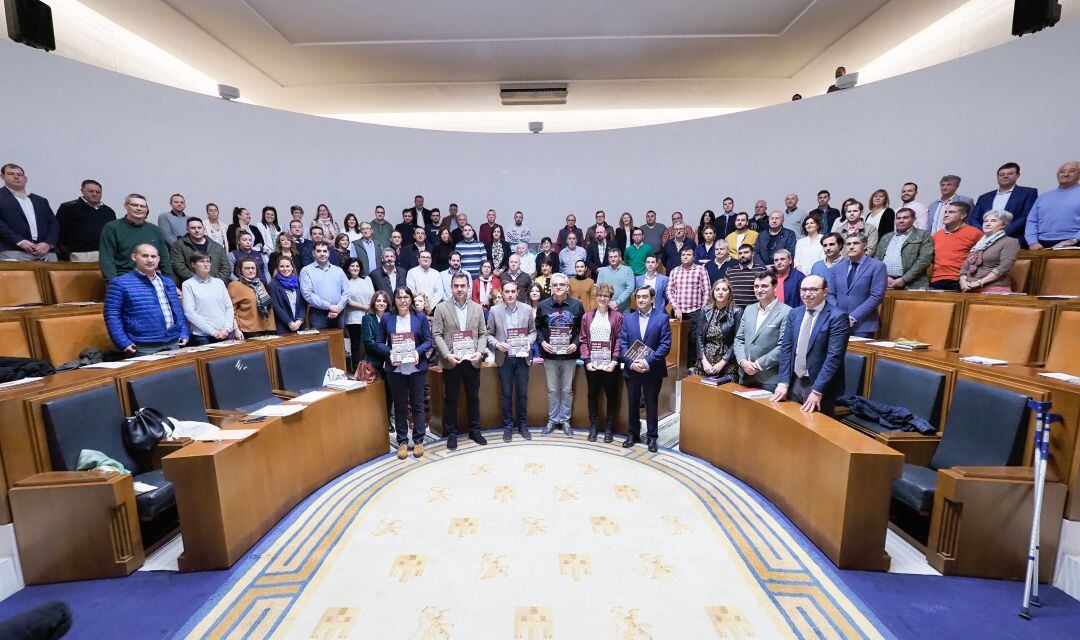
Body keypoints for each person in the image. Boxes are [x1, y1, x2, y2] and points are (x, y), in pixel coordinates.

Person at [772, 275, 849, 415]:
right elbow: (786, 349)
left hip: (819, 386)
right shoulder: (794, 314)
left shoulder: (837, 317)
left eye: (813, 289)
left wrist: (817, 390)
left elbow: (834, 357)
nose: (807, 294)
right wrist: (783, 382)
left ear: (825, 291)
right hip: (795, 380)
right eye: (804, 290)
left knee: (813, 430)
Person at [373, 286, 433, 459]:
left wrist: (417, 352)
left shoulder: (420, 317)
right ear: (395, 300)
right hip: (395, 368)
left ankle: (419, 440)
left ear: (411, 299)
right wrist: (389, 352)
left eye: (406, 297)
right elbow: (378, 342)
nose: (403, 300)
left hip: (416, 367)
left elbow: (428, 341)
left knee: (418, 404)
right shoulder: (386, 318)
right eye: (399, 297)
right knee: (399, 406)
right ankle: (402, 441)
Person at [432, 272, 489, 450]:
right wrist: (447, 355)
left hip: (472, 360)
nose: (459, 289)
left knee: (473, 397)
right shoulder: (441, 308)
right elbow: (436, 334)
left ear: (468, 287)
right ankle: (452, 433)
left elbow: (483, 334)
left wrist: (480, 352)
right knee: (451, 398)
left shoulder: (477, 308)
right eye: (456, 286)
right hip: (452, 360)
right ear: (451, 287)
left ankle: (475, 430)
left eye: (462, 286)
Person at [104, 243, 188, 356]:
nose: (150, 260)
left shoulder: (168, 282)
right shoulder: (119, 283)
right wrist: (122, 342)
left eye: (153, 256)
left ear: (158, 259)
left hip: (173, 342)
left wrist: (184, 332)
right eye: (145, 256)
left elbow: (177, 310)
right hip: (143, 346)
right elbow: (112, 315)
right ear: (134, 257)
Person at [619, 286, 672, 452]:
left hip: (652, 369)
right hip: (632, 369)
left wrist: (647, 362)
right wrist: (631, 363)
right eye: (638, 297)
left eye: (644, 297)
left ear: (652, 298)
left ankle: (652, 437)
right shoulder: (628, 318)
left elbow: (665, 345)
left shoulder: (662, 318)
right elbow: (623, 344)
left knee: (651, 404)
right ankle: (632, 434)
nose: (641, 300)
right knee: (633, 403)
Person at [487, 280, 535, 441]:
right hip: (504, 358)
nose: (510, 294)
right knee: (506, 394)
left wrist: (528, 341)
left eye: (512, 291)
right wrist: (497, 344)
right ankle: (508, 427)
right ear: (503, 293)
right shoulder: (494, 310)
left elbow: (533, 332)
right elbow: (488, 334)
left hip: (522, 357)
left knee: (522, 394)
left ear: (517, 292)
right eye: (506, 292)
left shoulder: (527, 309)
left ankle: (523, 425)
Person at [537, 273, 585, 436]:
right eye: (555, 285)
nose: (558, 287)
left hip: (569, 356)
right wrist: (543, 343)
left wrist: (576, 344)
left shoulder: (577, 306)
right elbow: (536, 328)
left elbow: (582, 330)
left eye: (561, 285)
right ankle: (552, 420)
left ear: (567, 287)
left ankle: (564, 421)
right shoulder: (543, 306)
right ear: (551, 287)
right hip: (550, 355)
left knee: (566, 389)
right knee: (551, 389)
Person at [578, 282, 623, 442]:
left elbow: (619, 340)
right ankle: (593, 427)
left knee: (611, 395)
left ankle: (609, 428)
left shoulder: (617, 316)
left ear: (610, 297)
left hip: (610, 364)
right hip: (592, 364)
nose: (602, 298)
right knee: (593, 394)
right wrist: (587, 360)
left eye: (606, 296)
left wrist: (614, 360)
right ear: (596, 297)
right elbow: (583, 340)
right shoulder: (587, 316)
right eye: (600, 295)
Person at [733, 271, 791, 390]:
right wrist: (743, 361)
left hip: (768, 378)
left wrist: (758, 365)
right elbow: (739, 339)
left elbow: (783, 347)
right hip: (744, 375)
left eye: (764, 286)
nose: (759, 290)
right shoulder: (749, 309)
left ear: (775, 287)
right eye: (756, 286)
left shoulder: (787, 312)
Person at [99, 194, 174, 281]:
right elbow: (107, 259)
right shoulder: (112, 227)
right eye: (134, 205)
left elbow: (164, 258)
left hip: (151, 279)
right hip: (124, 278)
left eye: (142, 206)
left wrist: (170, 282)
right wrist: (113, 283)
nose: (139, 208)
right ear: (125, 206)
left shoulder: (155, 230)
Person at [826, 235, 887, 338]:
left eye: (856, 243)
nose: (851, 247)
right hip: (838, 323)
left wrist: (853, 317)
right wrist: (840, 315)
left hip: (863, 325)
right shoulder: (837, 267)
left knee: (857, 354)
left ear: (865, 246)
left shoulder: (877, 266)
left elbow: (876, 296)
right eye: (848, 244)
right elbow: (830, 294)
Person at [0, 163, 58, 261]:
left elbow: (53, 223)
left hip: (45, 252)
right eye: (11, 174)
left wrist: (48, 243)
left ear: (25, 179)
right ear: (2, 177)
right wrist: (19, 241)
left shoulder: (40, 200)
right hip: (13, 251)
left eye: (19, 175)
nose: (16, 177)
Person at [181, 253, 241, 346]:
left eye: (208, 261)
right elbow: (190, 313)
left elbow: (229, 307)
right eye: (202, 261)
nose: (206, 264)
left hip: (225, 333)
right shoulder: (188, 284)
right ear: (193, 264)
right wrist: (213, 332)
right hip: (203, 337)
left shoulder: (219, 282)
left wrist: (227, 329)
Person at [967, 163, 1036, 243]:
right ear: (997, 177)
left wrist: (1001, 234)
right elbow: (973, 218)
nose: (1005, 176)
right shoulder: (984, 197)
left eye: (1010, 173)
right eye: (1002, 174)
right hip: (984, 240)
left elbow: (1025, 217)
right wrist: (985, 233)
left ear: (1018, 175)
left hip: (1012, 239)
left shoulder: (1028, 193)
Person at [667, 245, 711, 366]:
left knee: (694, 340)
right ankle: (677, 366)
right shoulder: (675, 271)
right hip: (678, 311)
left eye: (688, 254)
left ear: (693, 257)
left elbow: (707, 290)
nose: (685, 257)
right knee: (676, 340)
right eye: (683, 255)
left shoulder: (701, 270)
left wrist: (702, 309)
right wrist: (676, 307)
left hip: (695, 311)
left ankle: (691, 367)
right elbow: (669, 290)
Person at [959, 210, 1021, 293]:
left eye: (993, 221)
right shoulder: (979, 244)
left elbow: (1004, 267)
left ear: (1003, 225)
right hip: (969, 288)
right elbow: (965, 267)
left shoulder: (1010, 241)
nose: (987, 223)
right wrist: (963, 282)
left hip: (994, 288)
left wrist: (980, 282)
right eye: (985, 221)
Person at [56, 179, 116, 261]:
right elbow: (59, 232)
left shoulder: (109, 211)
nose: (94, 194)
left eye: (98, 192)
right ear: (82, 191)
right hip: (80, 254)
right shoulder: (68, 208)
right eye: (91, 191)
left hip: (105, 254)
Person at [874, 208, 934, 290]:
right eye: (898, 218)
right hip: (887, 284)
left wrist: (904, 279)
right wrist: (885, 277)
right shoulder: (886, 237)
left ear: (913, 219)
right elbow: (877, 260)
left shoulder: (923, 235)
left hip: (914, 285)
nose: (901, 221)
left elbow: (924, 260)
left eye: (905, 218)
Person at [1025, 161, 1080, 250]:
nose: (1066, 174)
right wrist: (1032, 242)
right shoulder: (1044, 197)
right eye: (1062, 171)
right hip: (1041, 245)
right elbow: (1032, 221)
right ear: (1057, 175)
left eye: (1072, 171)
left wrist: (1074, 240)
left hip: (1073, 243)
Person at [696, 278, 743, 378]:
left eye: (724, 290)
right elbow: (699, 337)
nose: (720, 292)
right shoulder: (705, 310)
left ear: (729, 293)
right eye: (717, 289)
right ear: (713, 292)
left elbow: (737, 341)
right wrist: (704, 361)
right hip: (705, 361)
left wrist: (722, 363)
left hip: (727, 363)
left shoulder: (737, 311)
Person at [931, 202, 983, 290]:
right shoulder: (936, 235)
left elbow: (983, 258)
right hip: (936, 279)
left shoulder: (975, 233)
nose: (946, 215)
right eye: (945, 212)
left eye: (951, 212)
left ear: (962, 216)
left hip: (961, 280)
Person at [300, 241, 350, 328]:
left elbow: (347, 291)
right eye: (318, 251)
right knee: (321, 341)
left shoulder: (338, 270)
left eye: (325, 251)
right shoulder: (306, 271)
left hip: (339, 313)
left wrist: (338, 308)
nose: (322, 254)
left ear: (329, 253)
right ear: (313, 253)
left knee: (338, 341)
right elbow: (307, 294)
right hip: (318, 315)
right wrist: (329, 306)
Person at [171, 216, 230, 282]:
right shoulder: (179, 245)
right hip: (192, 286)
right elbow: (178, 267)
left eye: (199, 227)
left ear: (204, 229)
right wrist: (198, 281)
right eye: (193, 228)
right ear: (187, 230)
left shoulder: (216, 246)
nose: (197, 230)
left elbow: (226, 267)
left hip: (216, 286)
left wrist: (215, 282)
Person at [228, 257, 276, 338]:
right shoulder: (234, 285)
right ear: (240, 270)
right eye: (247, 268)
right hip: (248, 331)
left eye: (253, 268)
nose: (251, 271)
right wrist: (236, 330)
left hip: (267, 328)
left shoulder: (259, 283)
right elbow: (231, 311)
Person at [362, 290, 392, 417]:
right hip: (375, 361)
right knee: (376, 393)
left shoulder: (392, 318)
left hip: (391, 361)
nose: (381, 303)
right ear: (374, 302)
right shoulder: (367, 318)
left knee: (390, 391)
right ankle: (377, 419)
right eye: (378, 300)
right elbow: (369, 342)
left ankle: (387, 417)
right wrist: (387, 352)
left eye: (384, 301)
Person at [343, 258, 375, 365]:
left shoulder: (367, 279)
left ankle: (371, 366)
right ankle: (357, 367)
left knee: (369, 343)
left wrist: (370, 308)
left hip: (369, 315)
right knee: (356, 344)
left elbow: (373, 295)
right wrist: (365, 307)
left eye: (357, 266)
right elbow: (348, 301)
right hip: (354, 318)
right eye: (352, 266)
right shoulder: (345, 281)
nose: (355, 268)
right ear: (348, 268)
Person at [268, 256, 307, 334]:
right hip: (283, 326)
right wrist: (289, 322)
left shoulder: (298, 282)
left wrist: (299, 320)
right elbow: (276, 307)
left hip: (300, 325)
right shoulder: (273, 284)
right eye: (282, 266)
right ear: (278, 268)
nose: (285, 269)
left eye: (287, 266)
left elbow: (303, 304)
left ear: (292, 267)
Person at [596, 247, 635, 312]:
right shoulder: (602, 271)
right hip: (607, 308)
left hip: (624, 309)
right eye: (610, 257)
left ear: (620, 258)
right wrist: (608, 303)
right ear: (608, 259)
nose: (613, 259)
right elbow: (599, 288)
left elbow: (630, 288)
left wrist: (617, 302)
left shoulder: (628, 270)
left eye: (615, 256)